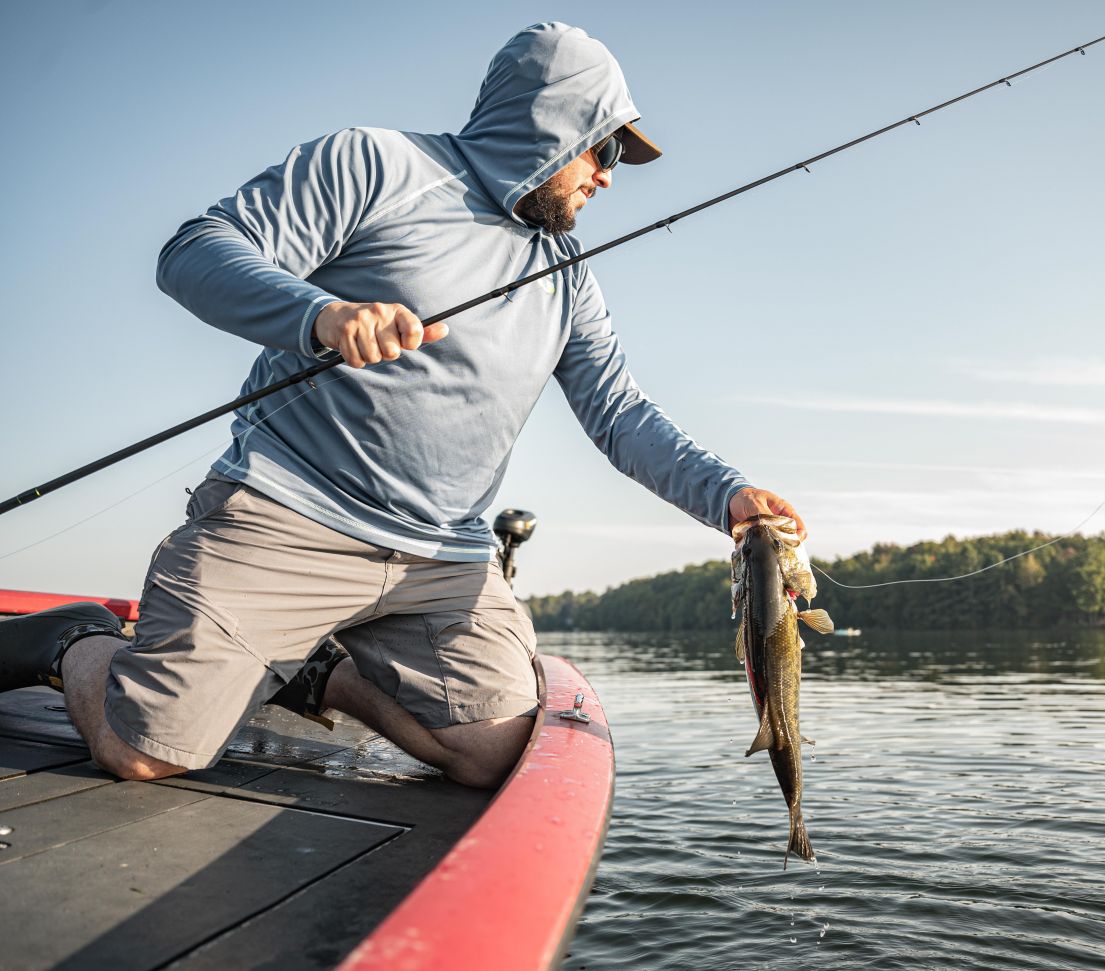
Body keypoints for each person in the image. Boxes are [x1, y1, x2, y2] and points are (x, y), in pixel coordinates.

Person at [0, 22, 803, 788]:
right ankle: (71, 638)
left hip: (442, 558)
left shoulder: (568, 274)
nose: (607, 176)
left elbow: (620, 411)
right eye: (602, 150)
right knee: (144, 752)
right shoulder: (377, 164)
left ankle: (318, 673)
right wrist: (320, 315)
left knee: (495, 757)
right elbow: (196, 251)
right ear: (552, 127)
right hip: (292, 511)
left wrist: (726, 495)